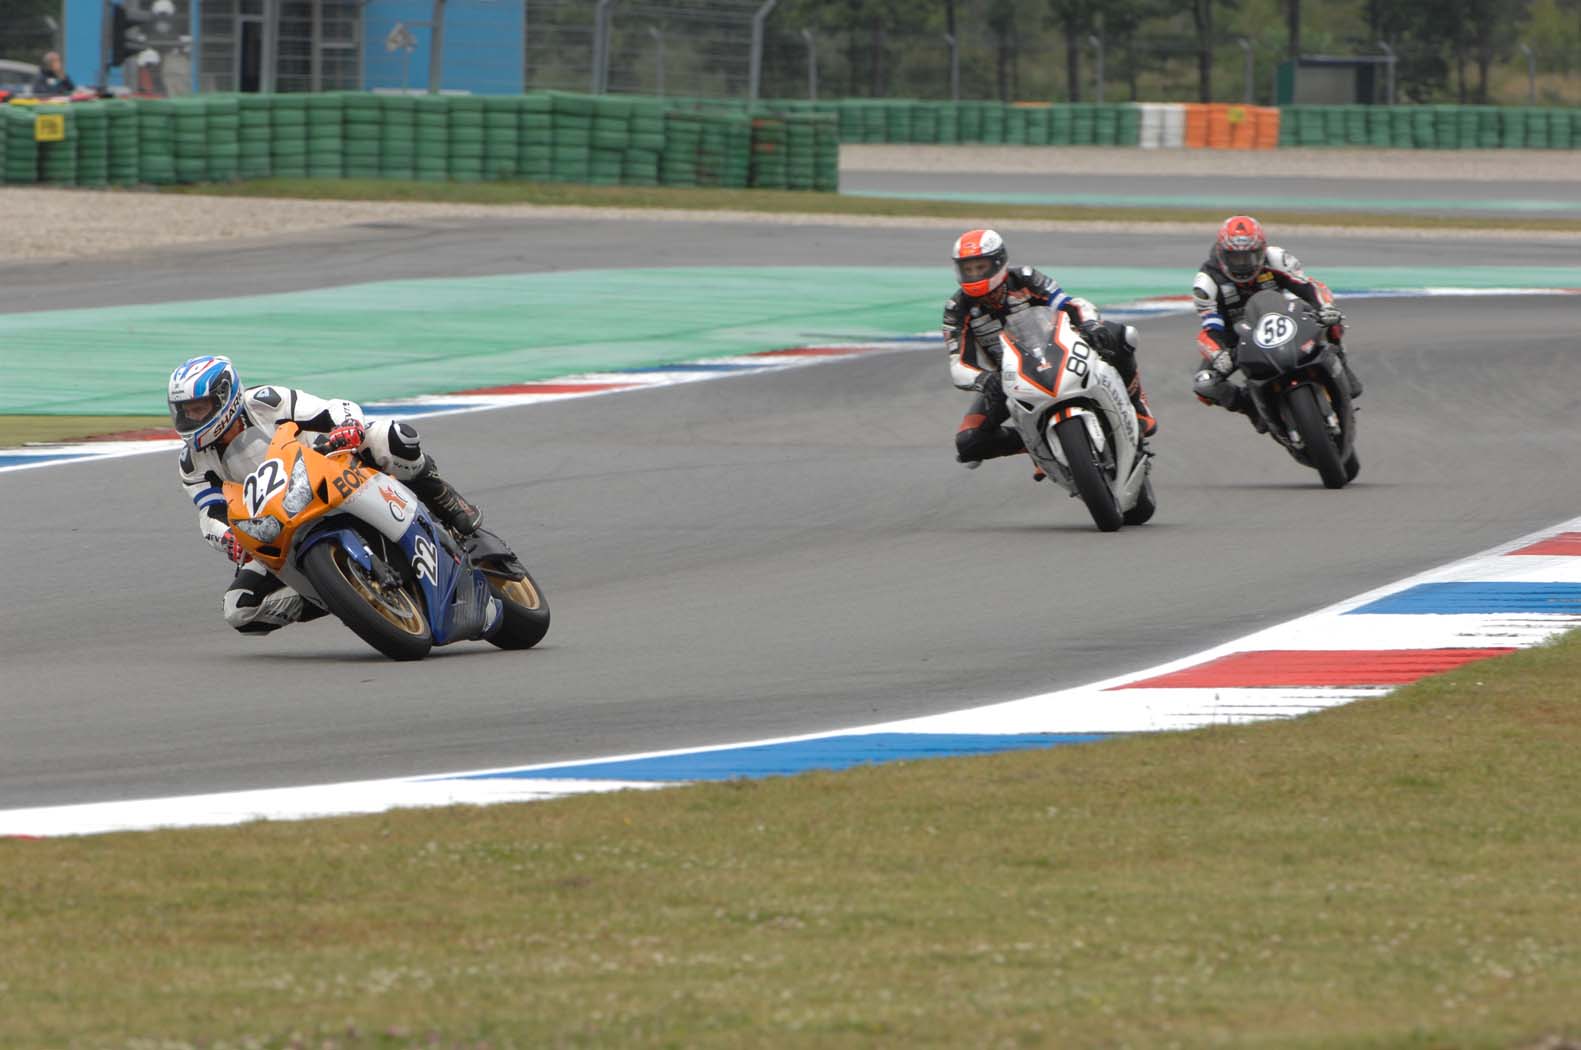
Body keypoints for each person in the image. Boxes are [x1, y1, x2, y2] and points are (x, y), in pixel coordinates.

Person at [168, 355, 485, 635]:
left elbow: (332, 408)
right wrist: (229, 538)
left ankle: (442, 496)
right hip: (278, 523)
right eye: (184, 412)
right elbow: (210, 513)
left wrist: (348, 427)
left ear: (225, 396)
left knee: (387, 437)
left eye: (199, 409)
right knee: (240, 609)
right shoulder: (192, 462)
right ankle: (336, 595)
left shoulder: (267, 401)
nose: (190, 419)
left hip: (327, 467)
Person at [946, 228, 1156, 471]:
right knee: (969, 442)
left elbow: (1068, 304)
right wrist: (984, 379)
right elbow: (957, 364)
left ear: (998, 263)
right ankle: (1040, 447)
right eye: (968, 269)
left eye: (980, 267)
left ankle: (1139, 408)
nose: (974, 275)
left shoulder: (1025, 278)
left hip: (1060, 350)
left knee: (1120, 335)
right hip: (1009, 378)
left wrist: (1089, 324)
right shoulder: (957, 308)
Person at [1192, 215, 1363, 426]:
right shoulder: (1206, 281)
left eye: (1250, 257)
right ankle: (1252, 408)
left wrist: (1326, 307)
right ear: (1221, 253)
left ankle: (1341, 365)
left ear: (1262, 250)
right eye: (1235, 258)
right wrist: (1218, 354)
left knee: (1331, 320)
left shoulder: (1277, 258)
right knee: (1205, 384)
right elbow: (1210, 328)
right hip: (1238, 336)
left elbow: (1310, 287)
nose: (1244, 265)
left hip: (1286, 317)